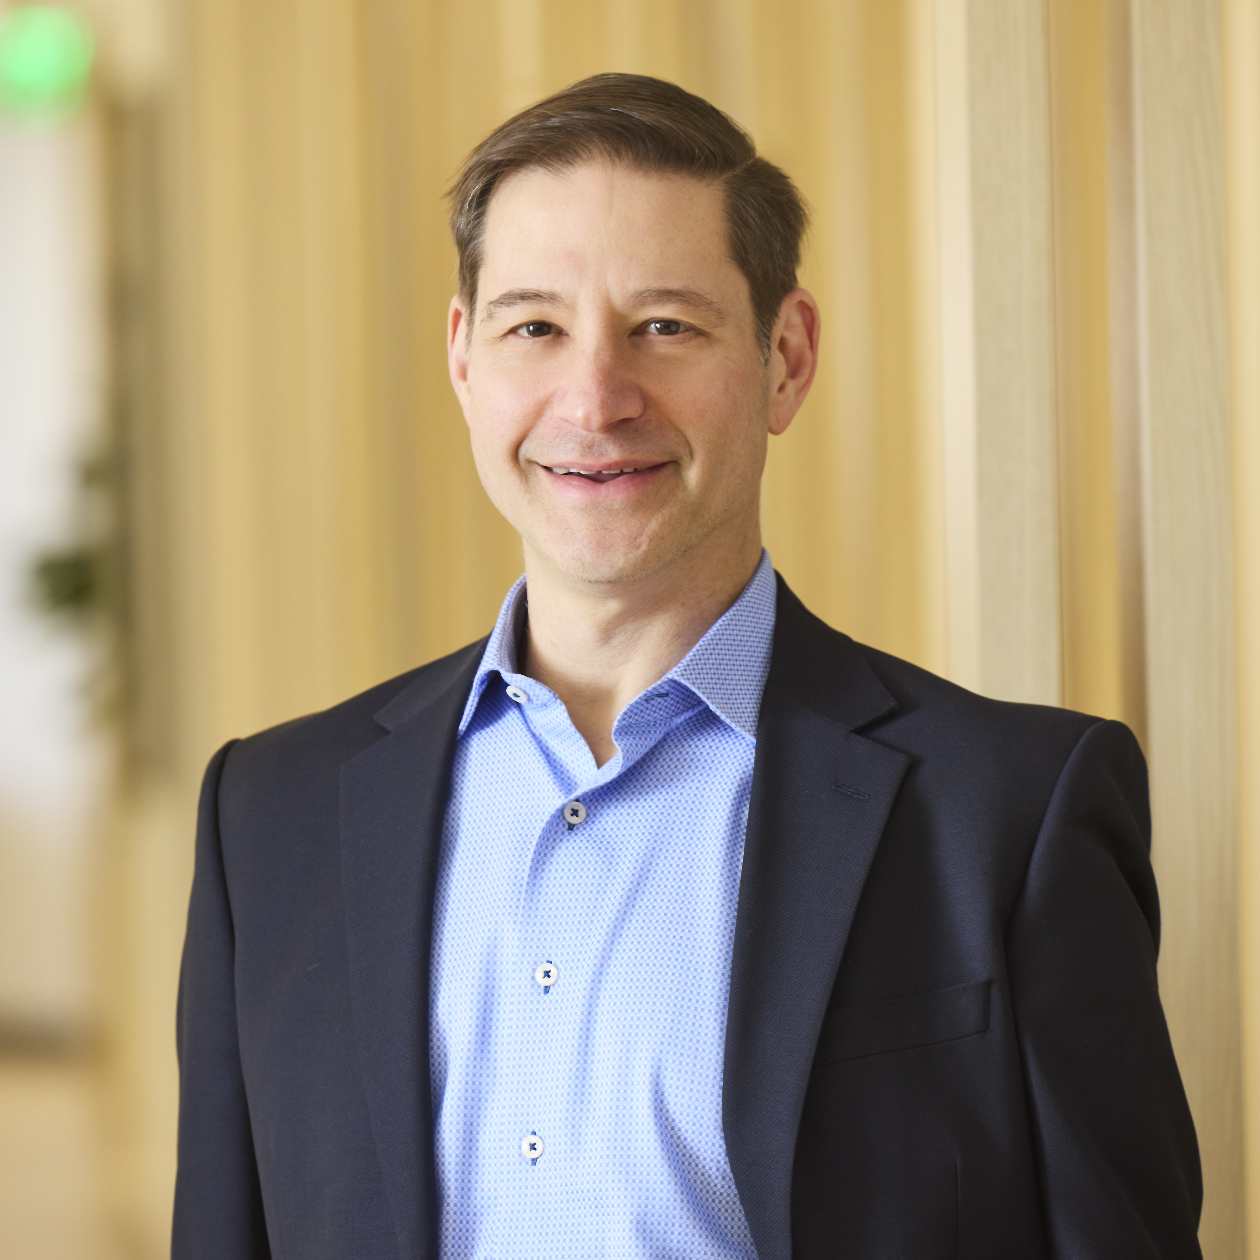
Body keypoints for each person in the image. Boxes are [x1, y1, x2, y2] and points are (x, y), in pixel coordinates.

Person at [172, 74, 1202, 1259]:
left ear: (785, 357)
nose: (595, 400)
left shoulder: (1011, 812)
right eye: (534, 327)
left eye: (664, 325)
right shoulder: (269, 819)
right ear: (464, 358)